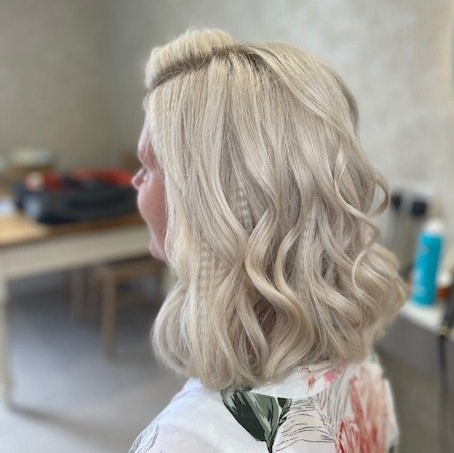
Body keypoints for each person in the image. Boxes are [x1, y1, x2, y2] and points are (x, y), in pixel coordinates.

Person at [130, 29, 406, 453]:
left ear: (207, 206)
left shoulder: (186, 440)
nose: (135, 181)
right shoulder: (364, 368)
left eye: (148, 167)